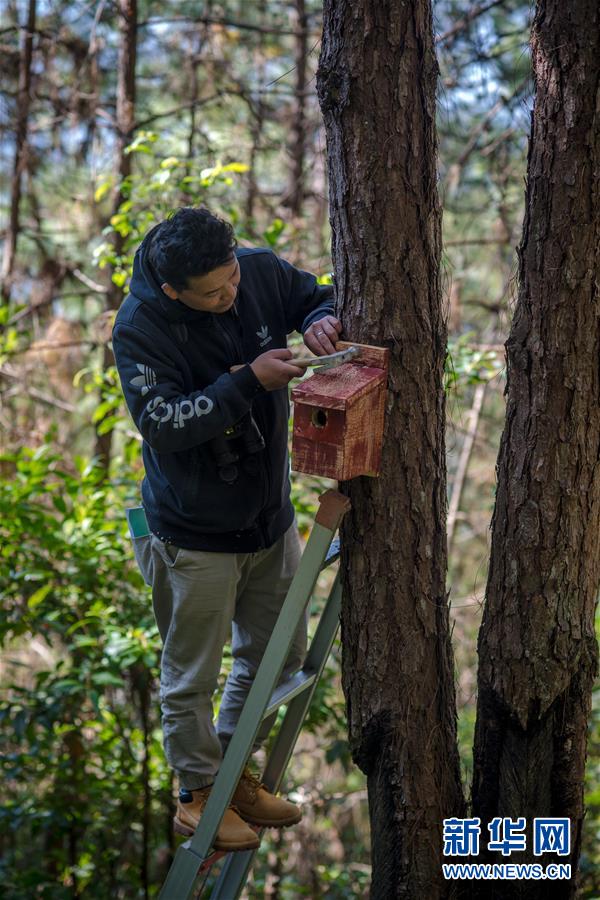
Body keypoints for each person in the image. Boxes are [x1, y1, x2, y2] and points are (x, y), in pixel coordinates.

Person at [111, 207, 342, 851]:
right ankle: (197, 791)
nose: (230, 295)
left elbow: (315, 293)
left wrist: (319, 317)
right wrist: (247, 383)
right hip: (192, 535)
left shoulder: (258, 270)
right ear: (172, 290)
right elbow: (162, 424)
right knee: (192, 675)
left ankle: (233, 772)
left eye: (232, 277)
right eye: (212, 293)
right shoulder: (139, 327)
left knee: (278, 656)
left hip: (269, 517)